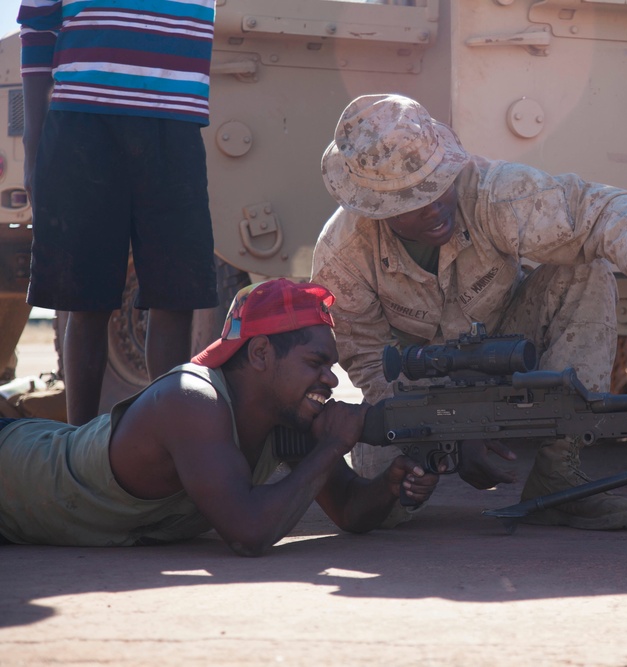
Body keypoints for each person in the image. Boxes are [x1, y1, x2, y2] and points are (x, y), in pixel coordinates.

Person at [311, 93, 627, 531]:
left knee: (586, 271)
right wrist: (451, 432)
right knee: (381, 512)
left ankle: (558, 477)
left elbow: (595, 209)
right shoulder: (342, 253)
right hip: (412, 389)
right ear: (374, 208)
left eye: (439, 182)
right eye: (411, 199)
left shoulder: (491, 190)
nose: (436, 204)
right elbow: (368, 363)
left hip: (510, 351)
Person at [0, 279, 439, 556]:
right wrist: (332, 446)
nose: (330, 378)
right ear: (262, 353)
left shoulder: (286, 415)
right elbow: (248, 533)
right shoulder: (191, 398)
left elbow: (348, 510)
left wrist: (390, 487)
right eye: (316, 363)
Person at [18, 0, 221, 425]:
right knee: (85, 300)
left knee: (175, 297)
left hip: (176, 123)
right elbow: (38, 27)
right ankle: (77, 449)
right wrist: (33, 142)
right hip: (81, 124)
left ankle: (164, 446)